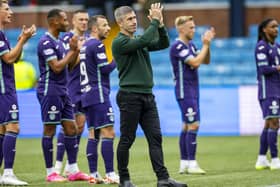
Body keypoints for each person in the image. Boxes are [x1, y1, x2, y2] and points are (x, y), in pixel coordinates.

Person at [112, 3, 187, 187]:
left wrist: (160, 24)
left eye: (134, 18)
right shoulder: (119, 42)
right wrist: (153, 20)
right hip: (129, 96)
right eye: (129, 19)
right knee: (127, 140)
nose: (134, 22)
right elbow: (145, 41)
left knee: (155, 138)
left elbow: (163, 43)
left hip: (147, 95)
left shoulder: (138, 39)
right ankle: (124, 179)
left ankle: (163, 179)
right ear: (120, 23)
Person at [36, 8, 89, 182]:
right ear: (54, 22)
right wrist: (72, 52)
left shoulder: (58, 42)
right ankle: (51, 172)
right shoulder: (45, 42)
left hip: (63, 90)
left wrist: (74, 51)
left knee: (71, 128)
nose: (67, 23)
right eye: (64, 20)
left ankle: (72, 169)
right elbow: (57, 67)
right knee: (49, 129)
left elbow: (70, 67)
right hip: (49, 90)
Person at [169, 16, 215, 175]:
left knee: (186, 126)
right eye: (191, 28)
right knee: (194, 124)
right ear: (181, 29)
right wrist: (205, 45)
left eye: (194, 27)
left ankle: (184, 163)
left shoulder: (191, 45)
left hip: (193, 90)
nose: (194, 30)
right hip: (184, 91)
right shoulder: (177, 46)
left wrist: (206, 46)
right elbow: (195, 63)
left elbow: (205, 61)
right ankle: (192, 163)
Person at [80, 14, 120, 184]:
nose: (108, 28)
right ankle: (111, 174)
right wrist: (118, 56)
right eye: (104, 25)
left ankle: (93, 174)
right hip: (98, 93)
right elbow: (105, 69)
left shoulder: (85, 45)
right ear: (95, 28)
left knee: (93, 134)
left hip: (86, 94)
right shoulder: (97, 45)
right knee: (108, 132)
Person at [0, 0, 36, 185]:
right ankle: (8, 173)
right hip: (4, 90)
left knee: (2, 130)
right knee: (13, 127)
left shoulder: (2, 35)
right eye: (6, 9)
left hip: (4, 89)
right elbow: (9, 58)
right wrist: (23, 39)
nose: (11, 12)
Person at [54, 9, 89, 176]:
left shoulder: (89, 40)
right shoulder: (67, 39)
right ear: (73, 21)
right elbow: (68, 65)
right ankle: (57, 166)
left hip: (85, 89)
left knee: (80, 126)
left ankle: (70, 165)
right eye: (81, 19)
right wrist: (76, 51)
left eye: (86, 20)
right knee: (68, 127)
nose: (84, 22)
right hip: (71, 88)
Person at [254, 18, 280, 170]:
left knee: (268, 124)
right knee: (275, 123)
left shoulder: (277, 46)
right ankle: (275, 159)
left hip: (277, 89)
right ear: (264, 29)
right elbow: (263, 69)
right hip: (267, 90)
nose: (276, 29)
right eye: (273, 27)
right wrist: (277, 68)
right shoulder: (261, 47)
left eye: (277, 26)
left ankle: (262, 159)